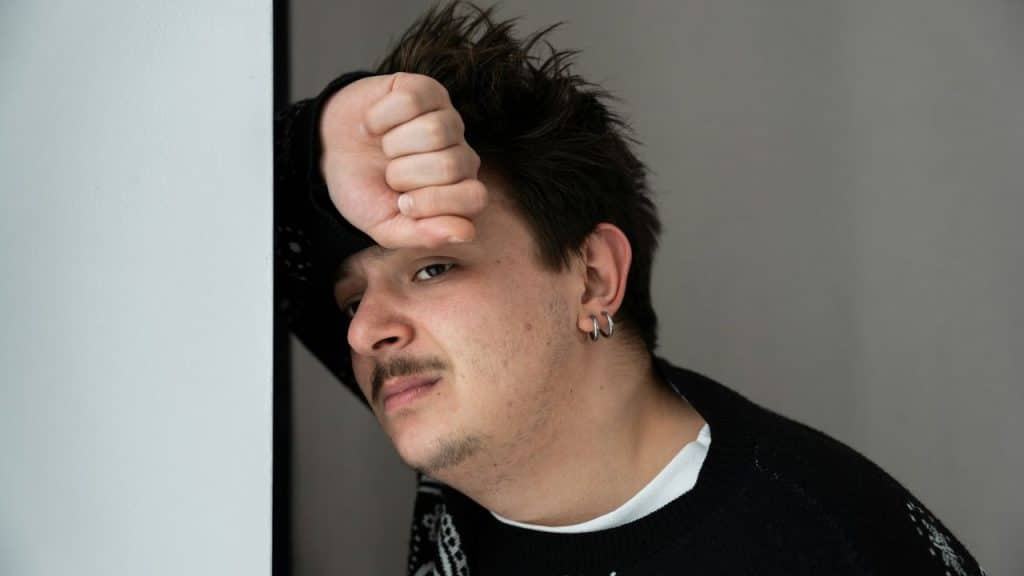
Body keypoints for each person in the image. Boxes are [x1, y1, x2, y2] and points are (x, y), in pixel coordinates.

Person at [275, 2, 985, 574]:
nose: (366, 333)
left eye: (432, 268)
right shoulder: (468, 415)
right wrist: (330, 139)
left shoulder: (832, 546)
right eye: (351, 299)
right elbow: (215, 248)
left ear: (592, 279)